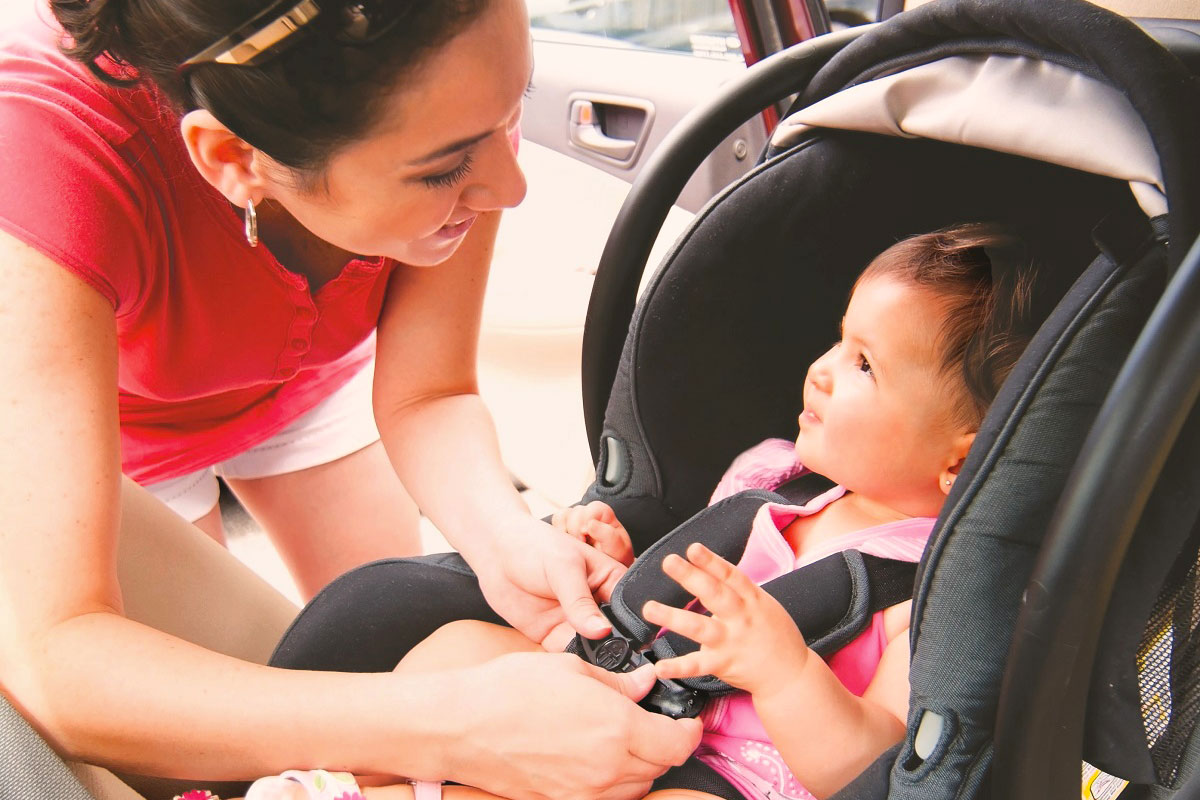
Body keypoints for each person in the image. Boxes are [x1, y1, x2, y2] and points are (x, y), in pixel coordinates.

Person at [0, 0, 701, 797]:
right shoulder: (46, 155)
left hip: (304, 378)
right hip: (120, 430)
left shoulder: (448, 99)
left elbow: (429, 394)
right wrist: (451, 729)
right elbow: (60, 664)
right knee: (217, 702)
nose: (510, 190)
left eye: (512, 115)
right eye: (444, 168)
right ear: (233, 156)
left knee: (368, 622)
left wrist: (506, 539)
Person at [232, 224, 1037, 800]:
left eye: (864, 364)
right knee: (457, 648)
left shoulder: (931, 587)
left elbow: (872, 766)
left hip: (736, 778)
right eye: (836, 340)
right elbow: (671, 607)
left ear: (963, 454)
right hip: (630, 687)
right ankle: (344, 778)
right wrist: (617, 561)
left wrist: (786, 670)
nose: (822, 371)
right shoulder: (774, 482)